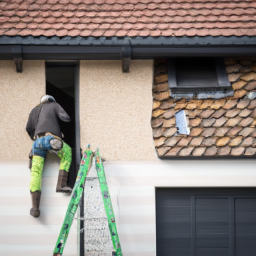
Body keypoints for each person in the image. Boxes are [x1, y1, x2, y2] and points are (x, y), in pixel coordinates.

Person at [26, 95, 72, 218]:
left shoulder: (34, 110)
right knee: (67, 152)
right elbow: (66, 118)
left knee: (36, 172)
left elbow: (28, 128)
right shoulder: (54, 105)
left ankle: (35, 208)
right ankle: (61, 185)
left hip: (36, 143)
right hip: (51, 139)